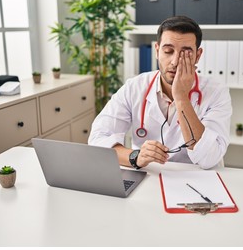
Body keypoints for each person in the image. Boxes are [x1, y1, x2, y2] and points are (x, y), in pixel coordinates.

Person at [88, 16, 232, 170]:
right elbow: (98, 139)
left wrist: (181, 97)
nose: (175, 61)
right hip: (150, 176)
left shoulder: (216, 92)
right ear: (157, 51)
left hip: (198, 180)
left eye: (186, 53)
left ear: (197, 56)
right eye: (168, 51)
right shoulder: (134, 87)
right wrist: (135, 157)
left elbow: (209, 158)